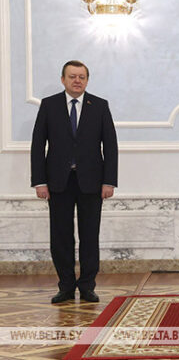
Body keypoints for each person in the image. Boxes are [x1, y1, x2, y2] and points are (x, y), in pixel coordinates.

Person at [30, 60, 118, 304]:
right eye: (72, 76)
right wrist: (39, 181)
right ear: (63, 80)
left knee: (90, 236)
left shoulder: (99, 105)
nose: (77, 81)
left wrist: (109, 181)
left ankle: (87, 286)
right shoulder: (49, 105)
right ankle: (66, 287)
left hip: (92, 183)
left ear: (87, 80)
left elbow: (110, 146)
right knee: (61, 237)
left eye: (81, 77)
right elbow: (38, 145)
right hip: (58, 182)